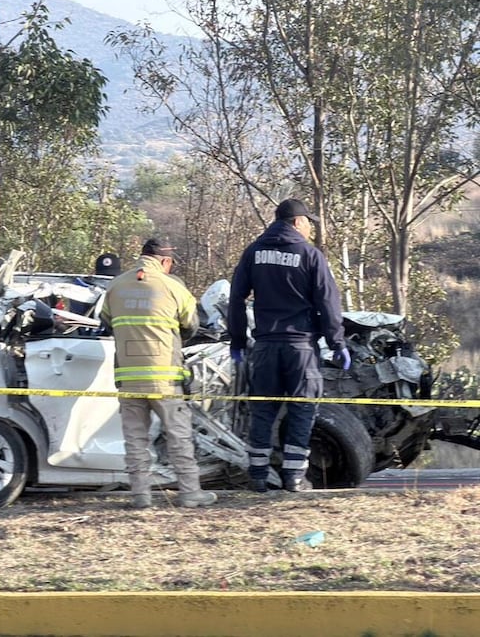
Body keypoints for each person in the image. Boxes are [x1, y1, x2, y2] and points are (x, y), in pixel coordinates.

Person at [228, 198, 350, 493]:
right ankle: (293, 477)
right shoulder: (310, 255)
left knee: (263, 410)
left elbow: (235, 298)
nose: (309, 229)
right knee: (302, 409)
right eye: (308, 222)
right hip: (301, 348)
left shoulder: (254, 253)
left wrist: (238, 341)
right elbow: (327, 301)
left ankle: (257, 475)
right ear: (297, 222)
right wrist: (337, 342)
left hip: (266, 347)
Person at [101, 239, 217, 509]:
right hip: (165, 378)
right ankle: (189, 492)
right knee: (178, 434)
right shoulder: (174, 287)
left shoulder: (116, 286)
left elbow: (107, 323)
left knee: (135, 438)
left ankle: (141, 495)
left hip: (129, 377)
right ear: (165, 261)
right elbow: (191, 326)